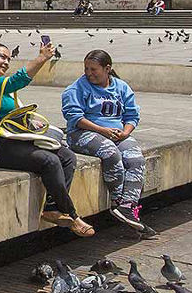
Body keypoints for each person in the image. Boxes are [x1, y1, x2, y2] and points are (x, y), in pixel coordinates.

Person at [0, 41, 94, 238]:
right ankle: (73, 216)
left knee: (67, 156)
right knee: (49, 160)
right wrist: (42, 58)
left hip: (10, 140)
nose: (7, 62)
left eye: (9, 59)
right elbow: (15, 81)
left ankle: (52, 208)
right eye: (2, 57)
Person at [62, 50, 146, 230]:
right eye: (86, 69)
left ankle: (128, 206)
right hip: (82, 133)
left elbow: (132, 115)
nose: (89, 73)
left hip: (116, 132)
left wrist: (125, 132)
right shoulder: (76, 89)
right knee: (110, 152)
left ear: (107, 69)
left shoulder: (121, 87)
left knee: (135, 158)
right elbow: (74, 117)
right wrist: (102, 130)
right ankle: (117, 201)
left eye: (94, 69)